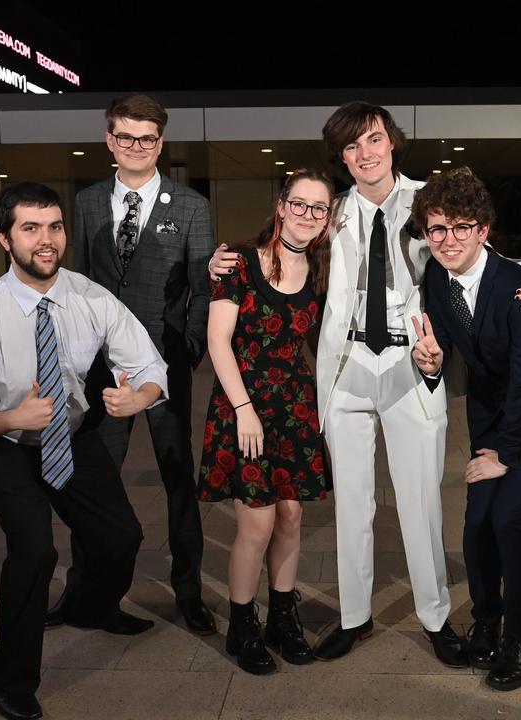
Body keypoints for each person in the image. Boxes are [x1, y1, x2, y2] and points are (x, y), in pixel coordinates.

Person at [211, 102, 521, 668]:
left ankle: (437, 617)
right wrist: (219, 263)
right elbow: (272, 249)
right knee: (352, 503)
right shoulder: (330, 210)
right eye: (350, 147)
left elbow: (482, 251)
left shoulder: (428, 199)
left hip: (413, 361)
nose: (363, 154)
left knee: (421, 501)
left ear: (392, 142)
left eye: (372, 140)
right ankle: (353, 617)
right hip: (345, 367)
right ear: (341, 158)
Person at [0, 182, 167, 720]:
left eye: (55, 227)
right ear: (5, 237)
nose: (46, 241)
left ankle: (91, 606)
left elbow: (151, 364)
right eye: (31, 228)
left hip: (71, 433)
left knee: (121, 537)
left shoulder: (90, 297)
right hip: (3, 441)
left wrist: (139, 396)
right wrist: (11, 417)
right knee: (35, 554)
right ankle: (13, 677)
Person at [409, 167, 521, 691]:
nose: (448, 239)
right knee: (476, 520)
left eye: (461, 227)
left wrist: (502, 452)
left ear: (483, 230)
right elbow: (448, 351)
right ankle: (488, 619)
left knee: (508, 519)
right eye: (437, 229)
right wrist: (431, 363)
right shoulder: (435, 277)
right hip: (490, 415)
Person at [65, 94, 216, 634]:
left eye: (147, 138)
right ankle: (86, 591)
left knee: (179, 482)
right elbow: (77, 285)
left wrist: (189, 352)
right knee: (95, 483)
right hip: (100, 370)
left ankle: (189, 594)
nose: (135, 147)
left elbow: (201, 290)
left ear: (160, 142)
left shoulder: (191, 207)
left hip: (165, 367)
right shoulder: (84, 204)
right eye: (125, 137)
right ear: (110, 140)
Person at [198, 169, 335, 674]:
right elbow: (217, 342)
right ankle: (241, 626)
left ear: (326, 220)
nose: (306, 215)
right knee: (256, 523)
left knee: (292, 517)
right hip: (244, 404)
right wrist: (244, 410)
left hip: (295, 407)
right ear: (281, 206)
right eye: (298, 204)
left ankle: (282, 616)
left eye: (318, 209)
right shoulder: (238, 262)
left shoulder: (322, 271)